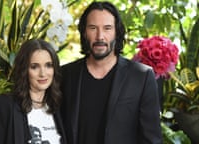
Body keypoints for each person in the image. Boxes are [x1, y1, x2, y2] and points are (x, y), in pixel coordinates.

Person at [61, 1, 162, 144]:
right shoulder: (65, 75)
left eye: (107, 28)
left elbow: (152, 140)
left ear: (117, 32)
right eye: (93, 28)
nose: (100, 36)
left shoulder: (141, 77)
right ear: (84, 32)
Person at [0, 39, 66, 144]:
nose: (43, 73)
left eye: (48, 65)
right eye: (34, 67)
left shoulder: (59, 106)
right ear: (24, 70)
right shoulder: (5, 105)